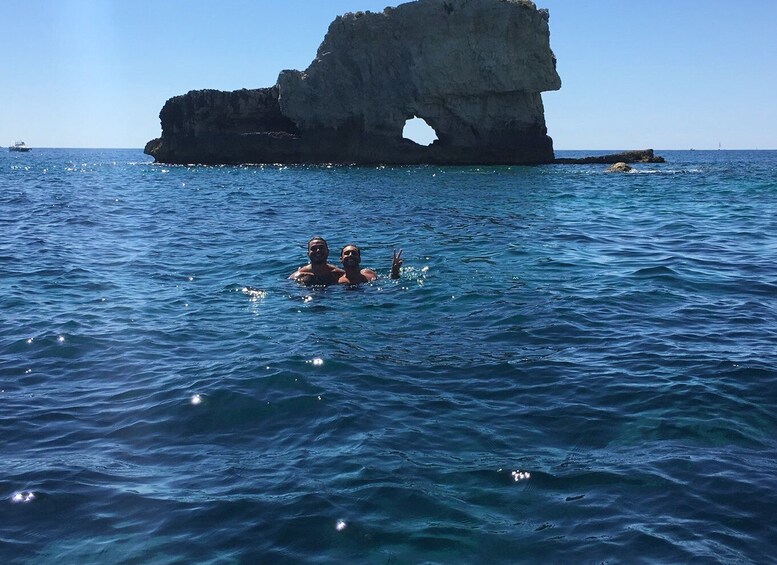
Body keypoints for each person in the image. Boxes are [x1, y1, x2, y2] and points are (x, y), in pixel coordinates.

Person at [338, 244, 403, 285]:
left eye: (354, 253)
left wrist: (395, 272)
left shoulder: (369, 274)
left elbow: (389, 283)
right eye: (347, 253)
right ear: (341, 259)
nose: (350, 255)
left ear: (360, 259)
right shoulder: (340, 282)